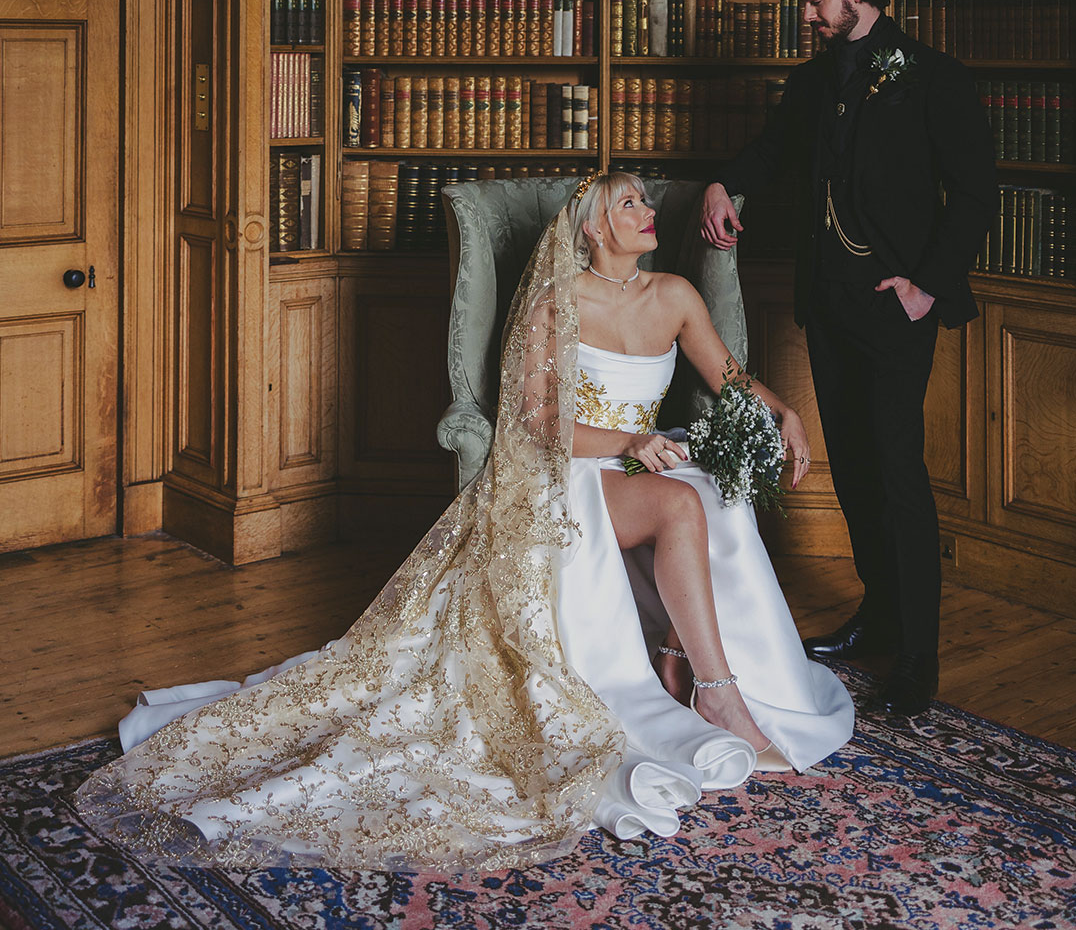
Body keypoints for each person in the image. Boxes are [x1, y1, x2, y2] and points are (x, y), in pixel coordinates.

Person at [76, 171, 852, 873]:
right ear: (590, 225)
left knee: (718, 494)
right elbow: (537, 423)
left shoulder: (676, 295)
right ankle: (716, 693)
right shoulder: (559, 300)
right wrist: (629, 443)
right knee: (683, 499)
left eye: (648, 201)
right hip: (574, 469)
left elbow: (731, 377)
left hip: (645, 457)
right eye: (630, 203)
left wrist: (784, 414)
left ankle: (684, 657)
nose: (648, 212)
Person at [702, 0, 999, 717]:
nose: (806, 15)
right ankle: (881, 614)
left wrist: (925, 289)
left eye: (814, 1)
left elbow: (973, 196)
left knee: (898, 472)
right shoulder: (809, 84)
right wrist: (725, 182)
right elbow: (772, 154)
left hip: (896, 308)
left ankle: (919, 654)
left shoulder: (934, 78)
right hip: (828, 303)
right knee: (859, 471)